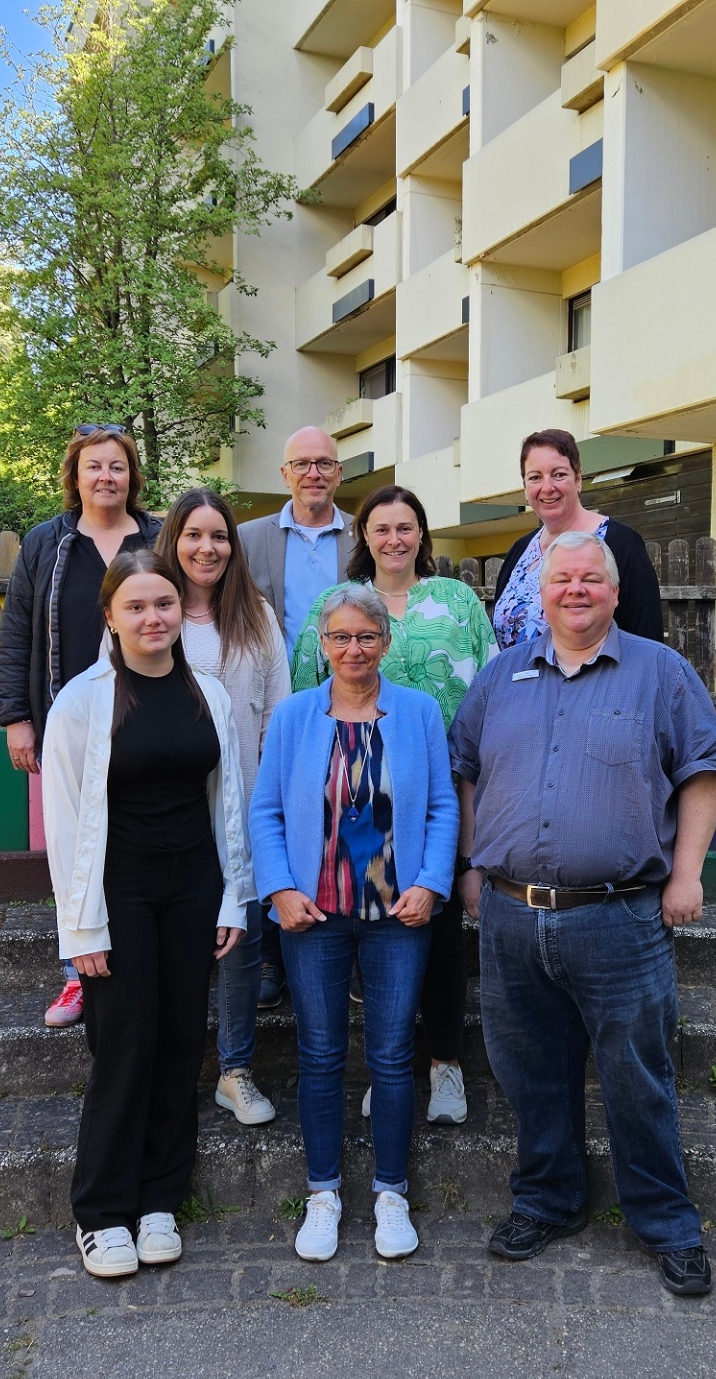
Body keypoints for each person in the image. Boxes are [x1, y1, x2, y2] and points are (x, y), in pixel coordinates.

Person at [451, 531, 716, 1298]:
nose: (575, 590)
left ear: (613, 590)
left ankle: (667, 1223)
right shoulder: (502, 675)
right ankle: (548, 1202)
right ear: (539, 594)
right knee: (530, 1072)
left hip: (620, 918)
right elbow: (467, 769)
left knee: (637, 1077)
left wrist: (688, 876)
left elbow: (705, 771)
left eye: (590, 579)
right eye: (561, 579)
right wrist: (475, 865)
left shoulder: (660, 672)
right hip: (511, 917)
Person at [40, 550, 253, 1279]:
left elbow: (228, 801)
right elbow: (65, 824)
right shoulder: (82, 701)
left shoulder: (210, 694)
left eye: (163, 603)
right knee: (124, 1049)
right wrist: (83, 929)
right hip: (119, 893)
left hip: (193, 888)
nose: (152, 617)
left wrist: (233, 896)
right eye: (135, 606)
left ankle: (161, 1199)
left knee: (177, 1045)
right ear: (110, 616)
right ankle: (101, 1212)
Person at [250, 583, 458, 1263]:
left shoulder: (420, 713)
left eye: (366, 636)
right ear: (322, 644)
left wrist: (431, 883)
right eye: (339, 637)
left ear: (386, 642)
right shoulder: (294, 717)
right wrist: (279, 888)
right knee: (318, 1055)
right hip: (313, 917)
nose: (353, 649)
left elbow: (441, 809)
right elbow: (266, 813)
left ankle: (391, 1194)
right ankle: (323, 1195)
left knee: (394, 1055)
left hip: (399, 915)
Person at [290, 485, 494, 1125]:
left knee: (436, 930)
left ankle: (446, 1065)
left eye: (406, 526)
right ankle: (391, 1065)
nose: (394, 538)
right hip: (353, 801)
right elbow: (305, 692)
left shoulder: (456, 600)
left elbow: (489, 684)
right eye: (381, 528)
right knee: (376, 935)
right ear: (365, 537)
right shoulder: (336, 606)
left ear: (422, 534)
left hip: (444, 789)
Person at [0, 424, 165, 1030]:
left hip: (149, 718)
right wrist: (16, 716)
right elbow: (16, 630)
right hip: (67, 723)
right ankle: (77, 973)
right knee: (74, 847)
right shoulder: (48, 543)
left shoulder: (157, 537)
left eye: (117, 467)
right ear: (75, 476)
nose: (106, 477)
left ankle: (147, 958)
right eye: (94, 467)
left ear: (132, 476)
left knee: (142, 839)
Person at [156, 487, 289, 1128]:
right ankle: (174, 1066)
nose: (207, 547)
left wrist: (272, 802)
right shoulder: (152, 609)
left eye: (219, 536)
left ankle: (235, 1071)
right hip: (169, 809)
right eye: (193, 535)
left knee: (241, 943)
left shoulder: (255, 617)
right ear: (173, 541)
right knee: (178, 940)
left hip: (246, 802)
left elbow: (280, 715)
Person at [238, 426, 360, 1011]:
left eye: (326, 464)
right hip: (279, 707)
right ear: (284, 474)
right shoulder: (249, 539)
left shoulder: (366, 535)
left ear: (339, 473)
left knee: (347, 818)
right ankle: (270, 954)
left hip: (353, 700)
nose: (314, 473)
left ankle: (353, 945)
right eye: (302, 464)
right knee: (277, 818)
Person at [489, 429, 663, 650]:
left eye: (559, 474)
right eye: (535, 477)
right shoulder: (520, 551)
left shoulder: (621, 544)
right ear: (525, 488)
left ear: (578, 479)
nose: (547, 487)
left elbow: (647, 640)